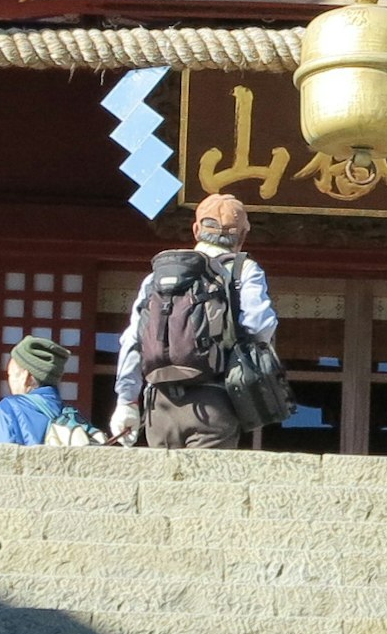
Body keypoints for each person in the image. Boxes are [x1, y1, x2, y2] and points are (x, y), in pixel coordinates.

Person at [116, 192, 281, 448]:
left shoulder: (156, 278)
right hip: (214, 402)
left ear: (196, 229)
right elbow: (260, 324)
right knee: (206, 487)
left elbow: (133, 340)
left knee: (160, 487)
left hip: (158, 408)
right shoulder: (243, 270)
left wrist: (125, 402)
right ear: (242, 235)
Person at [0, 330, 80, 446]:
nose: (9, 381)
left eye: (11, 374)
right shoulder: (70, 414)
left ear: (25, 376)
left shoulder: (10, 407)